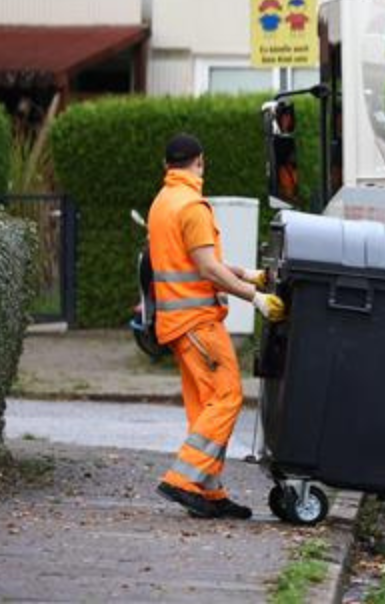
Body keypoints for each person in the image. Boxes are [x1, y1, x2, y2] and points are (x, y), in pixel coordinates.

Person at [148, 133, 287, 519]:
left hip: (179, 324)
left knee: (205, 407)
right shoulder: (192, 205)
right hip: (198, 323)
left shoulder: (163, 202)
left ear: (167, 165)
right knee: (227, 397)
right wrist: (255, 298)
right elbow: (207, 268)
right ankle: (182, 480)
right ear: (201, 161)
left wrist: (251, 274)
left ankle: (208, 492)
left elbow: (196, 262)